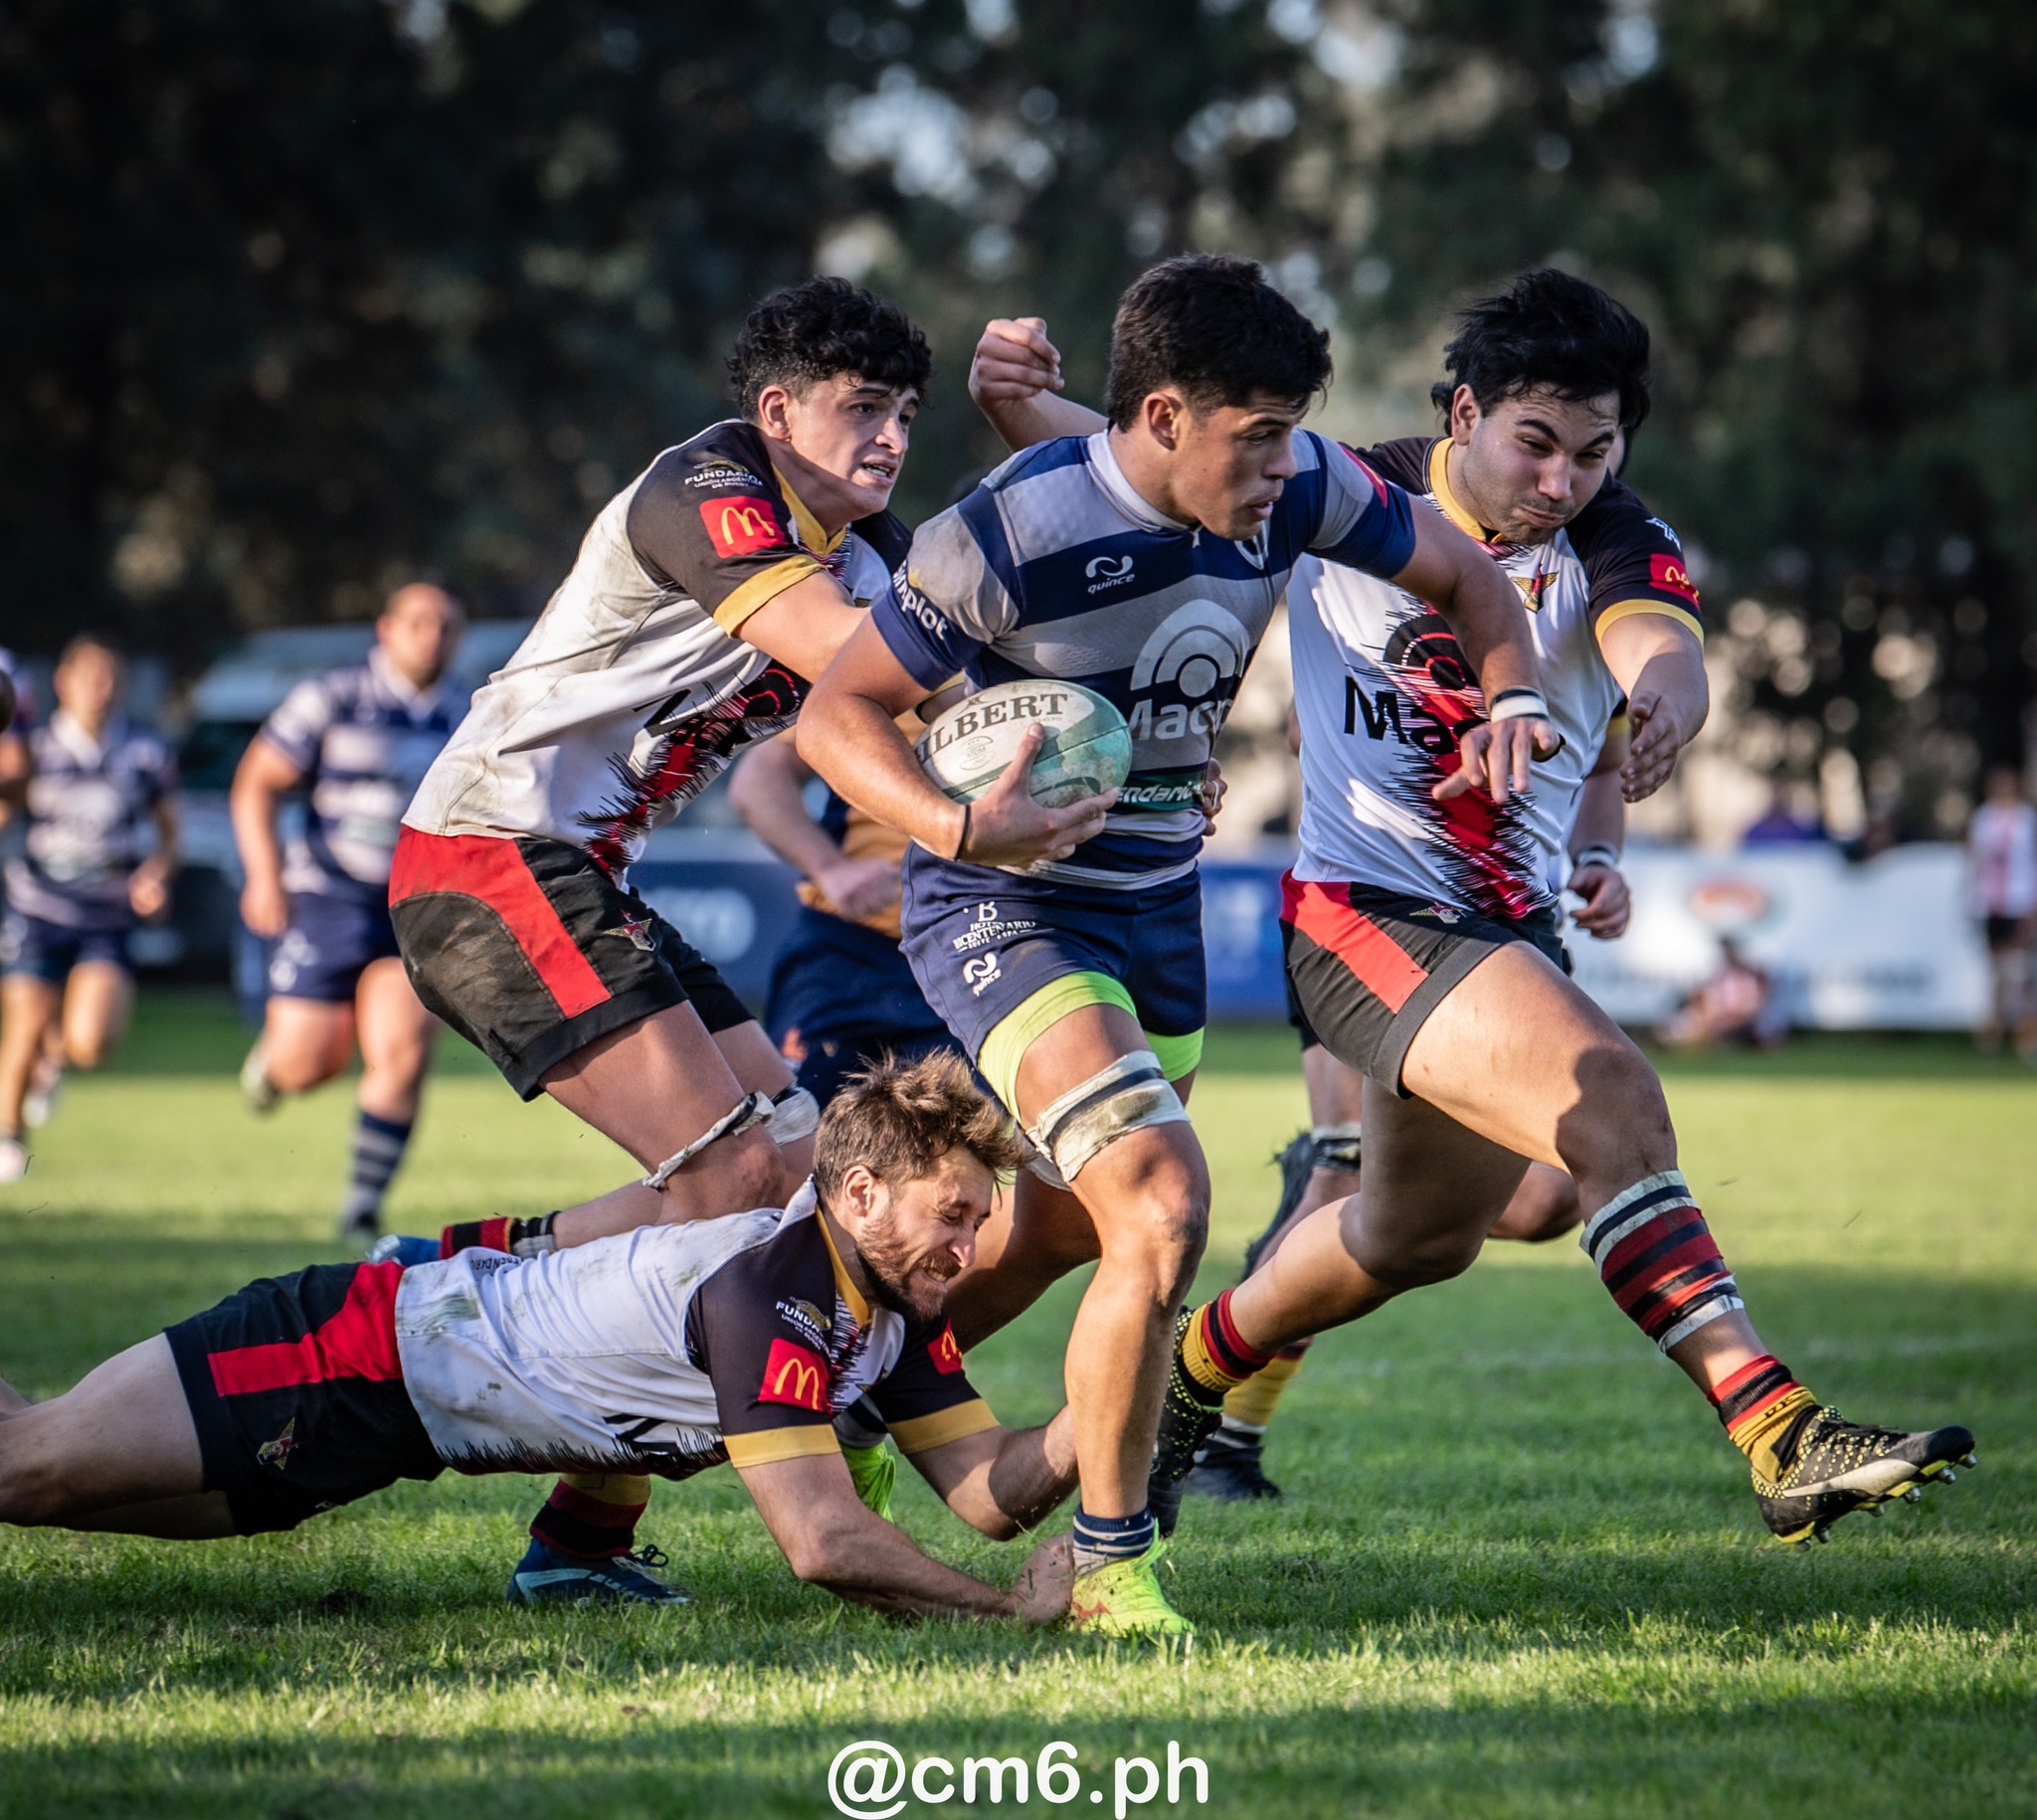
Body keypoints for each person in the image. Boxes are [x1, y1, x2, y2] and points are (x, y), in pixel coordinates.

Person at [1131, 269, 1973, 1546]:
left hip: (1507, 932)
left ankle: (1192, 1375)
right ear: (1461, 415)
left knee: (1409, 1237)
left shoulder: (1615, 536)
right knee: (1613, 1100)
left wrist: (1666, 719)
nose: (1559, 480)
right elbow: (1166, 489)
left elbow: (1661, 654)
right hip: (1360, 912)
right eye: (1534, 444)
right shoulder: (1342, 491)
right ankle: (1779, 1433)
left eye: (1592, 451)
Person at [795, 254, 1553, 1635]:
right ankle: (1108, 1561)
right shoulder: (1003, 532)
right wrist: (966, 831)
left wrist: (1510, 703)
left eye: (1289, 432)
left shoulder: (1301, 486)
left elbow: (1475, 587)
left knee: (1075, 1230)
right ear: (1156, 419)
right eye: (1254, 435)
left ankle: (859, 1396)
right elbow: (836, 717)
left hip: (1157, 909)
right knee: (1162, 1198)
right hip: (1004, 907)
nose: (1282, 464)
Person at [378, 275, 933, 1601]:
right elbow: (871, 659)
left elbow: (975, 642)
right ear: (778, 412)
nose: (892, 438)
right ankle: (459, 1342)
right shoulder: (710, 487)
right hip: (486, 856)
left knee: (799, 1172)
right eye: (863, 410)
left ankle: (553, 1495)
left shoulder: (872, 549)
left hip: (582, 874)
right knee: (738, 1184)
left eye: (908, 413)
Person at [0, 1052, 1080, 1624]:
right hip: (336, 1352)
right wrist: (1002, 1613)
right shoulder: (771, 1290)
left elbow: (986, 1490)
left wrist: (1132, 1395)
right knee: (27, 1473)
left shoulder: (892, 1302)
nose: (969, 1246)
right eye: (953, 1215)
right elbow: (822, 1544)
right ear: (858, 1192)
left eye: (977, 1221)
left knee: (27, 1461)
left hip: (380, 1439)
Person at [1187, 718, 1638, 1504]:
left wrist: (1596, 856)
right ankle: (1223, 1441)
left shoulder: (1598, 616)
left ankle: (1331, 1190)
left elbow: (1603, 764)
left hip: (1514, 936)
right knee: (1342, 1171)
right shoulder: (1400, 596)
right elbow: (1307, 726)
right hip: (1370, 913)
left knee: (1545, 1198)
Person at [232, 583, 468, 1241]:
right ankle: (273, 1067)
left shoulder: (470, 713)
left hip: (413, 906)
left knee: (402, 1050)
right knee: (308, 1064)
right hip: (325, 897)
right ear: (386, 629)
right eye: (418, 622)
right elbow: (256, 781)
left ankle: (361, 1207)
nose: (431, 635)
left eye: (445, 624)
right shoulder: (331, 698)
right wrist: (263, 875)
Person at [0, 635, 178, 1182]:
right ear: (62, 682)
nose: (99, 690)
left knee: (90, 1042)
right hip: (37, 905)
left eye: (109, 679)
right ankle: (8, 1135)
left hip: (106, 914)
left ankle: (52, 1058)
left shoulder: (143, 753)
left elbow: (170, 830)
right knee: (25, 1016)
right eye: (89, 677)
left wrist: (157, 873)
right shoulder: (33, 751)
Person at [730, 727, 964, 1110]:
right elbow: (758, 777)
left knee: (958, 1156)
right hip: (847, 947)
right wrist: (829, 867)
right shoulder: (879, 672)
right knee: (791, 1135)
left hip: (972, 952)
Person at [1965, 765, 2037, 1059]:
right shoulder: (1983, 819)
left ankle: (2026, 1039)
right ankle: (1993, 1039)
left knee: (2021, 972)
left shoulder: (2026, 819)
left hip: (2019, 903)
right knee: (1996, 974)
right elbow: (1974, 859)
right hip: (1991, 905)